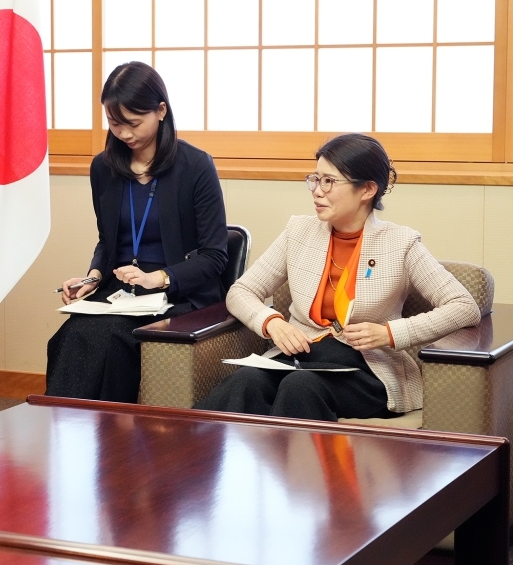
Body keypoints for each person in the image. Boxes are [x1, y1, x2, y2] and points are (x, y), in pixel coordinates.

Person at [195, 133, 481, 420]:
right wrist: (271, 324)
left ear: (367, 189)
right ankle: (186, 457)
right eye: (315, 179)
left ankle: (299, 466)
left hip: (367, 370)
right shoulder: (299, 231)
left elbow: (463, 306)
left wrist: (391, 333)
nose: (317, 191)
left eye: (329, 181)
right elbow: (241, 291)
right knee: (246, 382)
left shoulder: (400, 243)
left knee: (301, 387)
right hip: (301, 358)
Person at [45, 62, 228, 403]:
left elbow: (215, 256)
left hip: (178, 293)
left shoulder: (195, 166)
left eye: (133, 123)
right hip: (121, 293)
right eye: (114, 123)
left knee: (112, 341)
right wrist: (93, 277)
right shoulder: (104, 167)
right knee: (69, 337)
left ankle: (109, 440)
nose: (124, 134)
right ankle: (65, 430)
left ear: (161, 111)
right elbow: (108, 242)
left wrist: (159, 277)